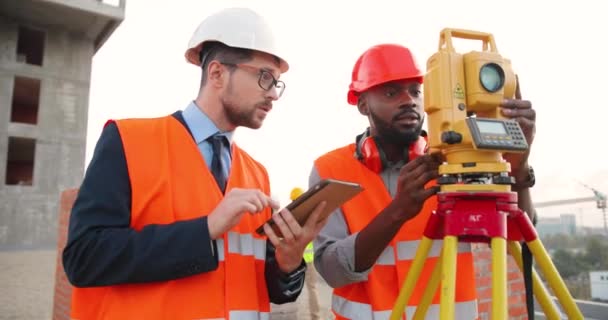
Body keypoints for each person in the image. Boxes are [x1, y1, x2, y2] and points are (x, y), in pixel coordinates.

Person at [62, 7, 328, 320]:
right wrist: (205, 230)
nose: (273, 94)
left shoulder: (258, 175)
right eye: (264, 77)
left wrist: (288, 263)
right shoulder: (127, 140)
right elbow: (83, 258)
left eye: (277, 83)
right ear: (217, 73)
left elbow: (266, 288)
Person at [311, 44, 537, 319]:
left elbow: (518, 235)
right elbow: (333, 271)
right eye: (391, 92)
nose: (408, 100)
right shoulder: (331, 169)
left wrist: (518, 165)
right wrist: (398, 211)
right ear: (362, 104)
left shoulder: (453, 160)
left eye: (415, 91)